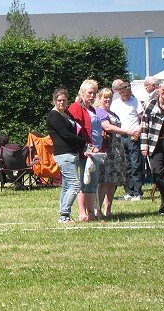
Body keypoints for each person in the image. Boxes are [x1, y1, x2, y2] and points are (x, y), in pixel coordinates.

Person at [47, 88, 88, 224]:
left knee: (66, 186)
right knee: (75, 185)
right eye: (59, 100)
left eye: (64, 100)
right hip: (64, 154)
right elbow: (65, 134)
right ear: (54, 101)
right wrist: (83, 142)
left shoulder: (66, 113)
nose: (62, 103)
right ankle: (64, 215)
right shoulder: (53, 116)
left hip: (72, 153)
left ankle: (64, 215)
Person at [95, 88, 132, 218]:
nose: (108, 100)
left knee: (112, 182)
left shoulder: (112, 113)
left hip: (117, 150)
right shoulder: (99, 112)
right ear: (99, 99)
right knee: (104, 181)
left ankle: (108, 210)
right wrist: (127, 131)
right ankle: (97, 210)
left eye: (110, 97)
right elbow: (107, 127)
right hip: (107, 150)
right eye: (105, 97)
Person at [68, 79, 101, 222]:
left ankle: (91, 213)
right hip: (84, 150)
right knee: (85, 181)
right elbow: (76, 130)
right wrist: (86, 147)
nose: (93, 96)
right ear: (82, 93)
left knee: (92, 181)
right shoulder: (76, 107)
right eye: (90, 93)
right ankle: (83, 213)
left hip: (96, 150)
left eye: (94, 93)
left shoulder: (92, 109)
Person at [111, 80, 144, 201]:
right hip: (120, 136)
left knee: (136, 164)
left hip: (133, 136)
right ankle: (129, 191)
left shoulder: (135, 101)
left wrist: (138, 132)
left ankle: (137, 192)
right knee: (127, 166)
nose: (128, 95)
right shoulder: (115, 104)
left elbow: (142, 118)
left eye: (129, 93)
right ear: (119, 92)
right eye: (125, 94)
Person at [140, 81, 164, 215]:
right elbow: (144, 127)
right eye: (163, 89)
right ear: (159, 89)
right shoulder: (151, 105)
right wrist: (144, 147)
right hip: (155, 145)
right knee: (157, 174)